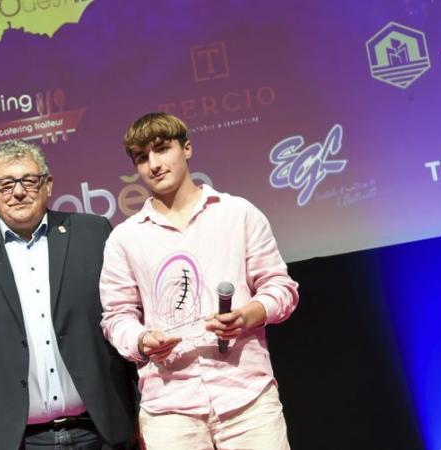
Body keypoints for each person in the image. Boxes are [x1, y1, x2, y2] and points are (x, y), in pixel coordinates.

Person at [0, 140, 137, 450]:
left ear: (48, 185)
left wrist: (143, 408)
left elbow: (126, 321)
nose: (18, 192)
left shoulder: (94, 234)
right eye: (6, 184)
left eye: (29, 181)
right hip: (8, 441)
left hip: (103, 433)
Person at [99, 113, 299, 449]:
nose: (154, 164)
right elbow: (116, 316)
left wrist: (248, 314)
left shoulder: (237, 214)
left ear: (187, 148)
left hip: (247, 399)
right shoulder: (125, 238)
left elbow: (280, 287)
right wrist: (143, 339)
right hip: (170, 409)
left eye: (162, 150)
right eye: (142, 157)